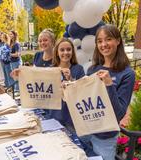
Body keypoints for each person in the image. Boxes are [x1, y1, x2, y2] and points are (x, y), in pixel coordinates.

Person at [79, 24, 135, 160]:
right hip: (85, 132)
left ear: (118, 41)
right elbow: (84, 101)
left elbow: (119, 113)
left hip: (105, 138)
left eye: (108, 39)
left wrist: (109, 84)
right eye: (99, 41)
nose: (103, 44)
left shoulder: (127, 73)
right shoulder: (93, 69)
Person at [49, 37, 85, 132]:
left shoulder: (79, 69)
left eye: (68, 49)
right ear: (57, 52)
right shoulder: (50, 70)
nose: (65, 52)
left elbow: (83, 93)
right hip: (54, 117)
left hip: (72, 119)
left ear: (72, 52)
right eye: (62, 50)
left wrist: (71, 80)